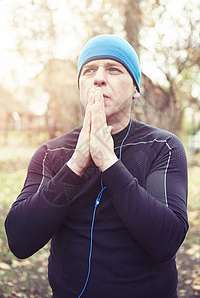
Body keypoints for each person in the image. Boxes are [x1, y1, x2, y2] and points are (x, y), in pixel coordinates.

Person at [5, 34, 188, 298]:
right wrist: (77, 163)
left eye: (113, 69)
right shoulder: (51, 153)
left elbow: (166, 241)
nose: (99, 77)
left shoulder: (163, 147)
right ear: (80, 86)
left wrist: (108, 162)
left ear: (135, 89)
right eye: (89, 70)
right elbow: (20, 241)